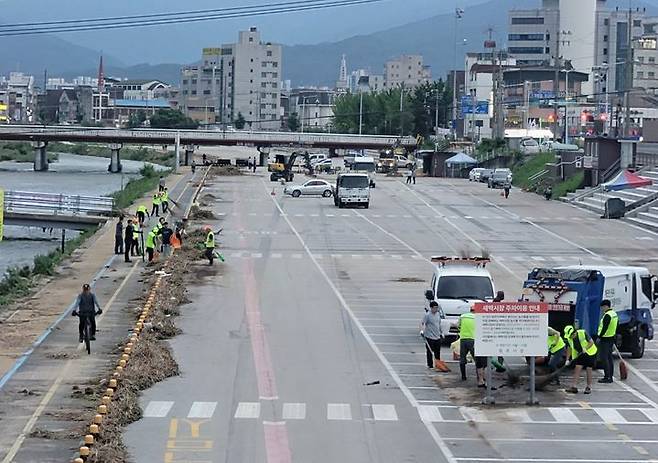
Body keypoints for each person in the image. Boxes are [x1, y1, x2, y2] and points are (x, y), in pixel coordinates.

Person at [457, 306, 487, 386]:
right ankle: (480, 379)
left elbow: (458, 326)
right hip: (473, 340)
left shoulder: (463, 316)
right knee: (477, 360)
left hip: (463, 339)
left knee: (462, 358)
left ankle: (463, 376)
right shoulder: (477, 318)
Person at [564, 324, 598, 394]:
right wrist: (567, 359)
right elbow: (569, 348)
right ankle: (574, 387)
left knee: (588, 369)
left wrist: (586, 348)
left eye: (571, 336)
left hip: (590, 353)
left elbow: (591, 342)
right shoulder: (570, 338)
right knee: (577, 368)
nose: (570, 337)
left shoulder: (583, 332)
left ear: (574, 332)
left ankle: (588, 387)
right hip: (580, 353)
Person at [597, 299, 618, 383]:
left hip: (605, 338)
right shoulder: (614, 314)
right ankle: (610, 376)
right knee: (609, 358)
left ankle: (607, 377)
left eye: (602, 307)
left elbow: (604, 328)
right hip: (611, 337)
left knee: (604, 358)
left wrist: (599, 336)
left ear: (606, 306)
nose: (602, 309)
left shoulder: (607, 315)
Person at [420, 301, 444, 369]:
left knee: (437, 352)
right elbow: (422, 323)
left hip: (437, 336)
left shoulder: (438, 314)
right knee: (429, 351)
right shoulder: (427, 315)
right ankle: (430, 365)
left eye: (437, 308)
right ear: (431, 308)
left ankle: (438, 364)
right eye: (435, 308)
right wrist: (422, 331)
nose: (436, 309)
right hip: (429, 336)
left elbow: (439, 324)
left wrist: (441, 333)